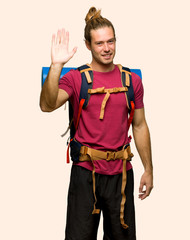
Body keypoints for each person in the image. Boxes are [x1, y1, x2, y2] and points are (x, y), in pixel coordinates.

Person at [40, 7, 153, 240]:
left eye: (110, 41)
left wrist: (149, 169)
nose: (107, 48)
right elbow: (47, 105)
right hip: (85, 172)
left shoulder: (132, 80)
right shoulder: (75, 78)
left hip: (121, 175)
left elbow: (140, 125)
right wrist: (56, 65)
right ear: (88, 45)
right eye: (100, 43)